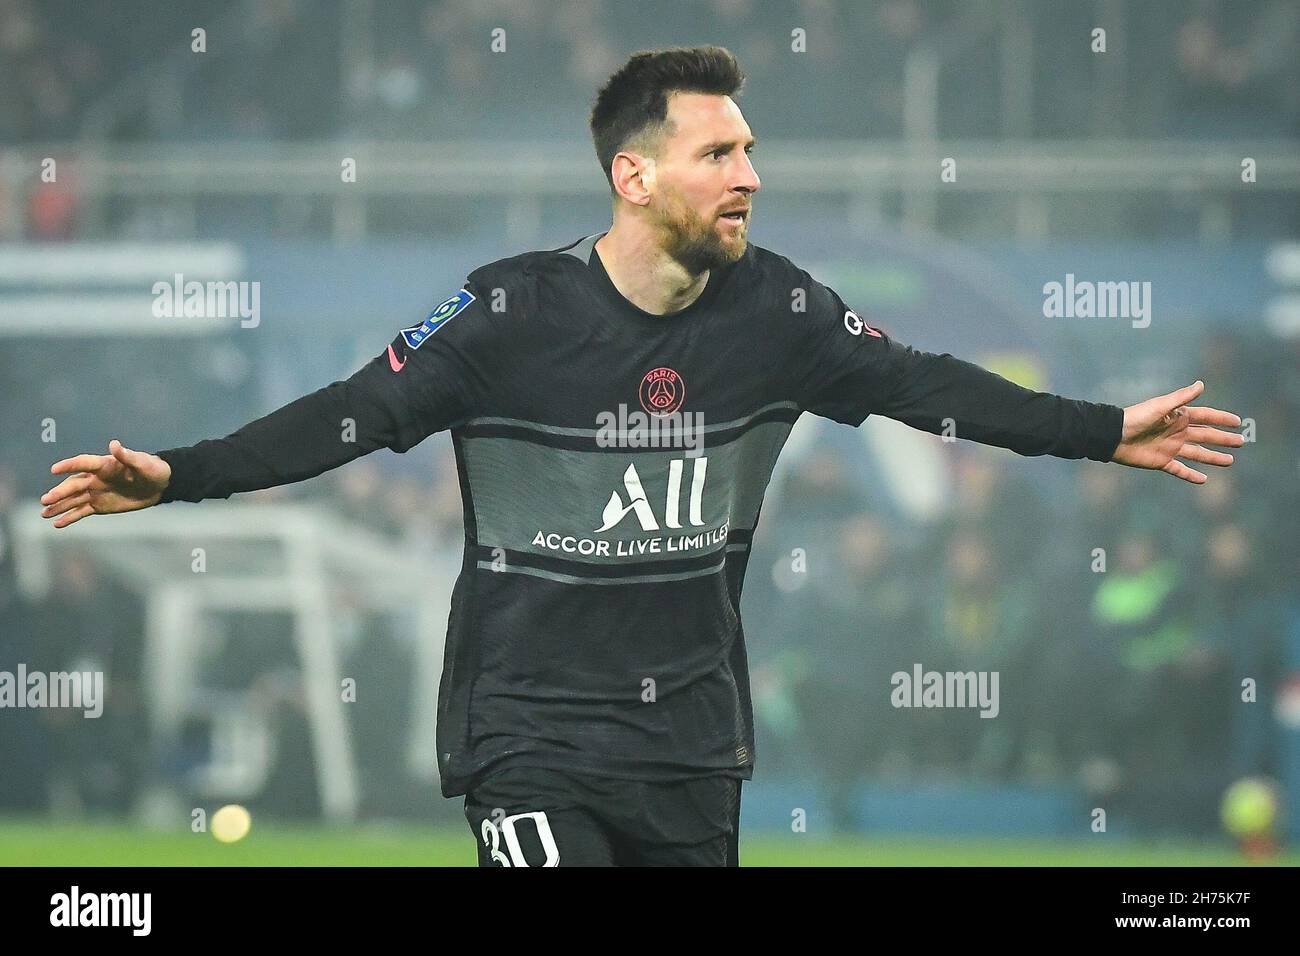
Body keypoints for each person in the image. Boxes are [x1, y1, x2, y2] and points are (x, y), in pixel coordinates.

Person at [39, 46, 1245, 867]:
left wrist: (1099, 428)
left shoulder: (778, 314)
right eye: (718, 154)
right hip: (530, 737)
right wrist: (179, 472)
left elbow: (922, 383)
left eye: (750, 150)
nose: (751, 177)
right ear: (634, 174)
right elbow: (347, 413)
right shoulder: (506, 315)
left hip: (689, 746)